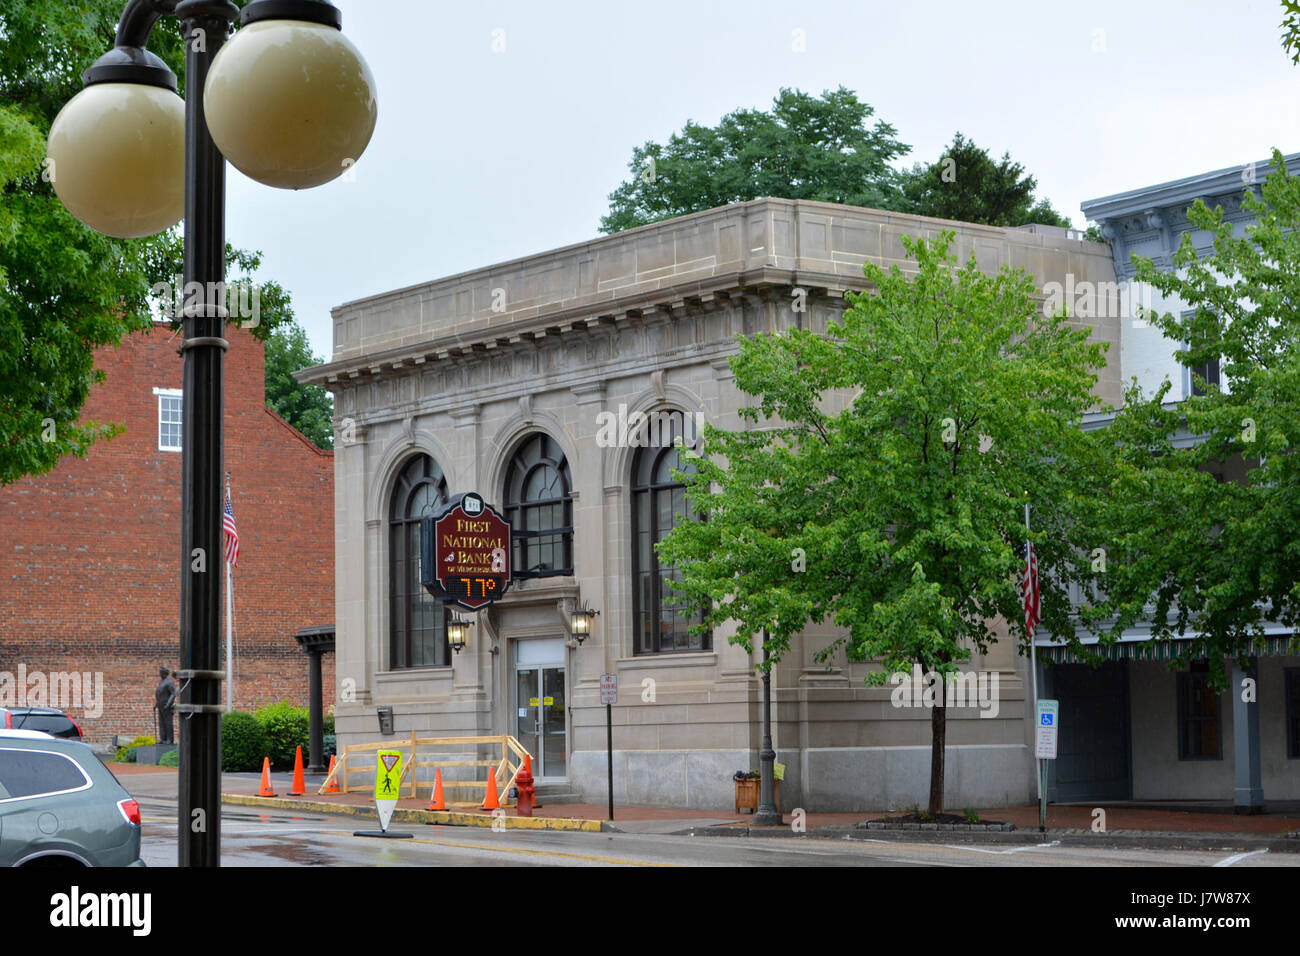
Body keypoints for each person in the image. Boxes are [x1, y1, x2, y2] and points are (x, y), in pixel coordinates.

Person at [154, 667, 177, 744]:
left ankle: (169, 739)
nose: (159, 674)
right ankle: (163, 739)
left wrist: (168, 703)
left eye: (160, 672)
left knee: (168, 722)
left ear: (164, 673)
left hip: (166, 706)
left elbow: (173, 694)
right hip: (160, 705)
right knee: (161, 723)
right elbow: (160, 694)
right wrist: (156, 703)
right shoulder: (161, 682)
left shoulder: (169, 682)